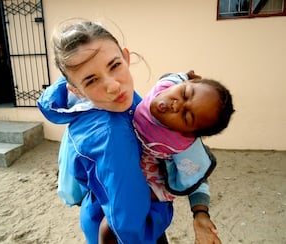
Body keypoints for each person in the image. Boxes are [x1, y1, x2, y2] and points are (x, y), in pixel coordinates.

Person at [37, 18, 222, 243]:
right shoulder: (111, 136)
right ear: (77, 90)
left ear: (126, 57)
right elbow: (126, 224)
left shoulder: (123, 101)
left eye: (114, 66)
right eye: (91, 80)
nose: (113, 86)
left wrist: (186, 81)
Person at [99, 72, 234, 243]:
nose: (176, 104)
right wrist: (186, 74)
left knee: (112, 226)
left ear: (188, 134)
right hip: (128, 152)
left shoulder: (182, 145)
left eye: (186, 116)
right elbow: (176, 77)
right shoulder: (169, 84)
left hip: (152, 180)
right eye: (185, 93)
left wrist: (200, 213)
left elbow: (195, 179)